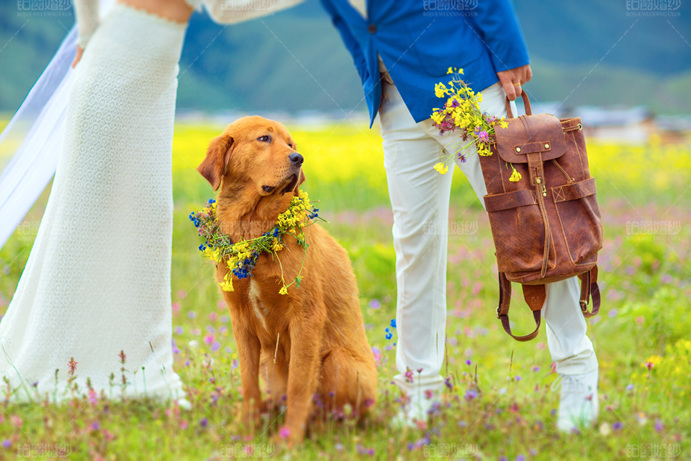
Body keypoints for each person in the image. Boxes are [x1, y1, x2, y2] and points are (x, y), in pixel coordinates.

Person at [0, 0, 301, 404]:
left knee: (137, 224)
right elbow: (224, 8)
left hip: (144, 76)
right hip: (121, 76)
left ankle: (125, 362)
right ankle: (76, 360)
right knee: (94, 223)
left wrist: (88, 34)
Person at [320, 0, 599, 432]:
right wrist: (371, 76)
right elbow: (346, 18)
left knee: (531, 229)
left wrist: (509, 51)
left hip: (465, 84)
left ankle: (578, 371)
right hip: (396, 103)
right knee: (413, 246)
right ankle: (419, 390)